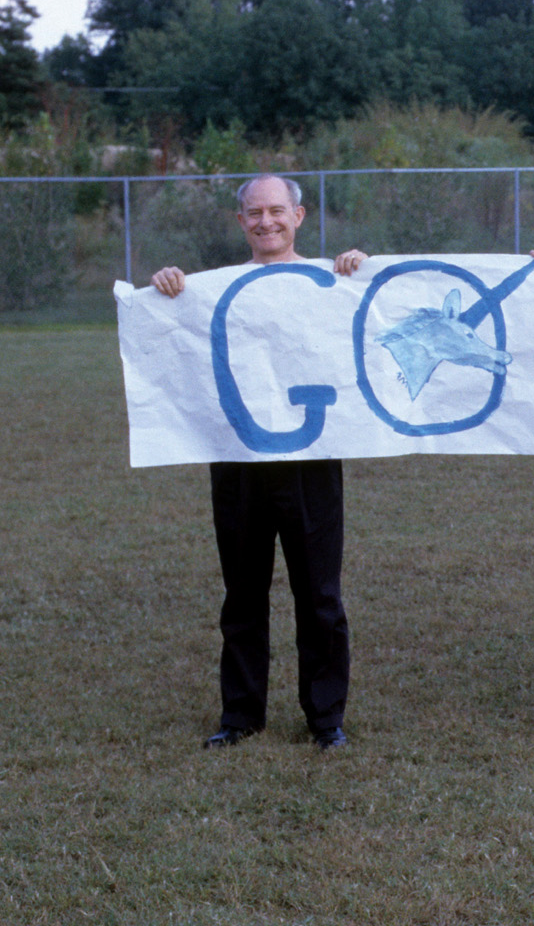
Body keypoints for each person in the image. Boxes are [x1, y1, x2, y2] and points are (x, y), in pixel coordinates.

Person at [151, 174, 368, 751]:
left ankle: (326, 719)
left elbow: (374, 315)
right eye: (254, 212)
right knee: (243, 593)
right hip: (238, 459)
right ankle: (240, 715)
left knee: (319, 595)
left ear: (299, 215)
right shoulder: (211, 290)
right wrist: (167, 286)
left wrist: (361, 271)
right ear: (240, 221)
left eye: (276, 210)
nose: (265, 221)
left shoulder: (333, 279)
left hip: (311, 461)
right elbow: (170, 332)